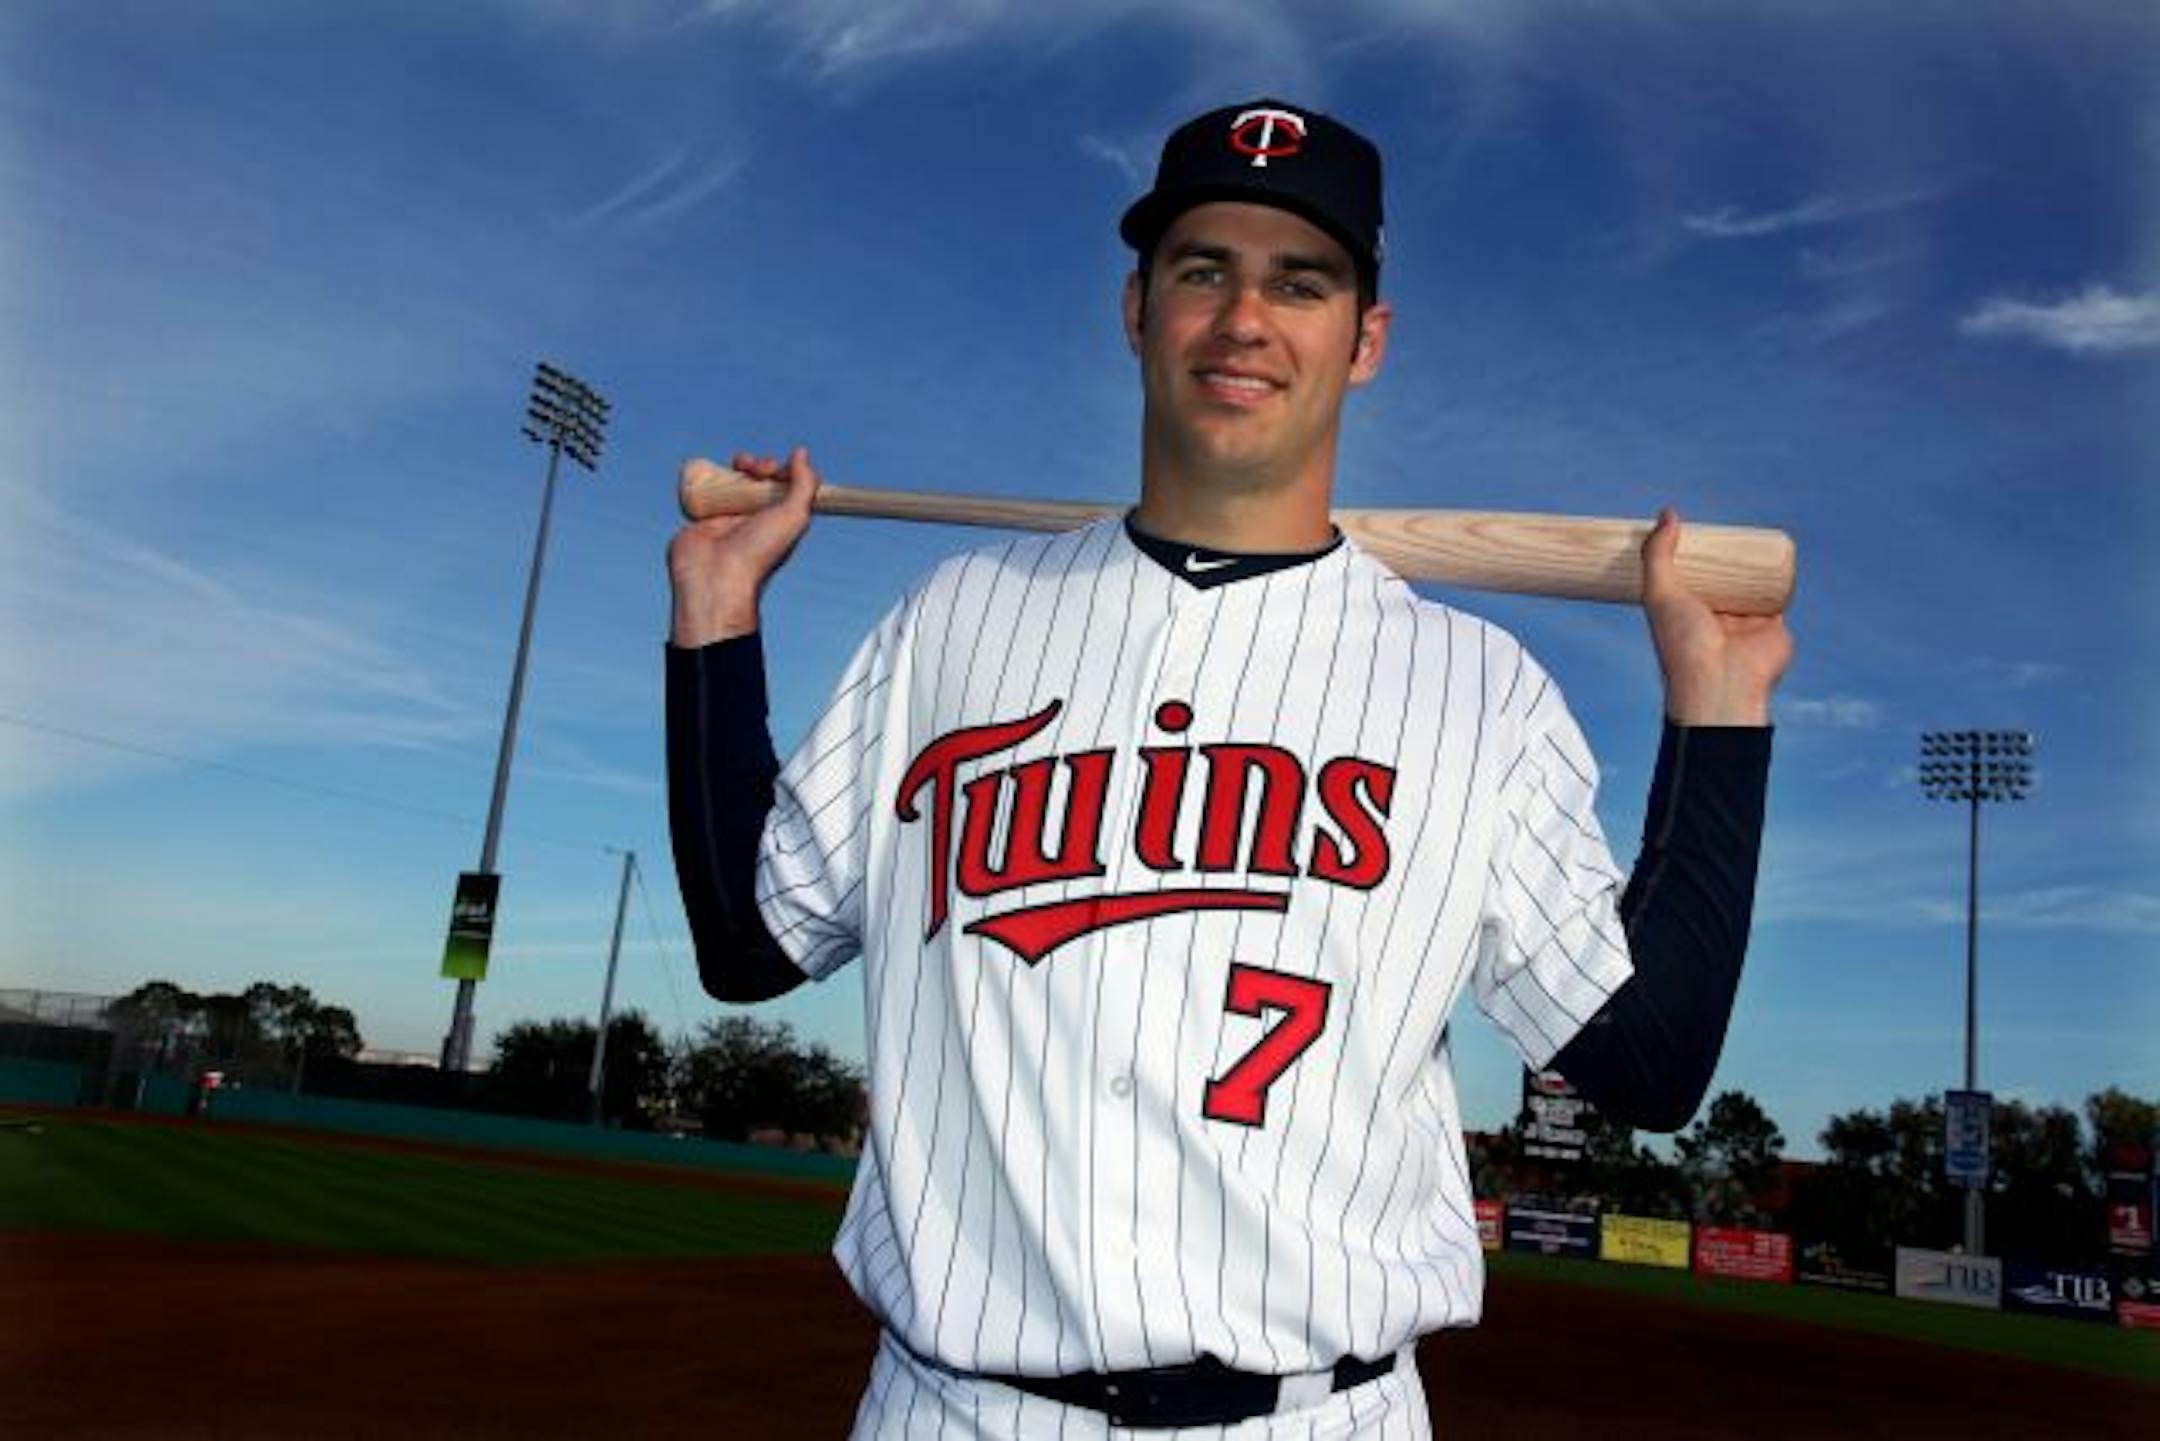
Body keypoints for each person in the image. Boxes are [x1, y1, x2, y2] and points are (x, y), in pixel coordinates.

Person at [667, 98, 1790, 1439]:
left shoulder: (1479, 691)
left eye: (1300, 282)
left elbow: (1646, 1061)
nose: (1245, 317)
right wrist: (716, 616)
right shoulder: (951, 621)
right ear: (1136, 310)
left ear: (1366, 341)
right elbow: (750, 941)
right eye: (1204, 269)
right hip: (952, 1408)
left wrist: (1719, 713)